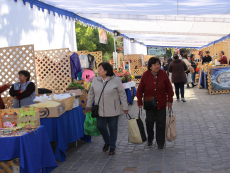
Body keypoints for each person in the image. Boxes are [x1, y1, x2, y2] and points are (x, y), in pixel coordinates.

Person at [86, 62, 129, 155]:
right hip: (99, 109)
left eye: (100, 69)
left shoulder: (116, 80)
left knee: (113, 128)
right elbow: (91, 93)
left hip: (113, 109)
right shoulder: (95, 80)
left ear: (106, 71)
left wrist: (125, 107)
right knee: (100, 126)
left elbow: (122, 94)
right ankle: (107, 141)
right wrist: (89, 105)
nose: (98, 71)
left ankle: (112, 146)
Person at [136, 57, 174, 149]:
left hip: (161, 103)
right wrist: (139, 101)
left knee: (161, 123)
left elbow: (169, 88)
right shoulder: (145, 75)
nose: (157, 66)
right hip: (149, 103)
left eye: (158, 64)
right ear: (150, 66)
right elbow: (140, 90)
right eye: (154, 65)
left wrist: (170, 100)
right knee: (149, 122)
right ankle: (150, 138)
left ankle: (160, 142)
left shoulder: (163, 74)